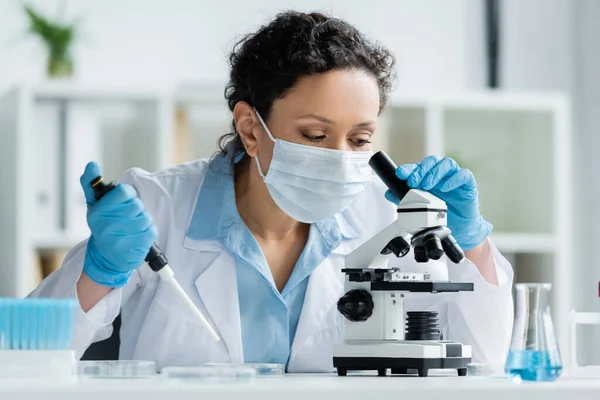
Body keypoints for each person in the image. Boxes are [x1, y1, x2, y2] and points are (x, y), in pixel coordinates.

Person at [30, 11, 514, 372]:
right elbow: (21, 361)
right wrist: (101, 272)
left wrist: (472, 245)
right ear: (250, 128)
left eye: (361, 140)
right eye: (314, 135)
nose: (341, 156)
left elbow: (487, 364)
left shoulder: (386, 221)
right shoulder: (160, 207)